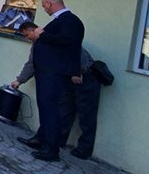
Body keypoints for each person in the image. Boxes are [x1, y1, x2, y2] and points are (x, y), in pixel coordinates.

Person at [12, 22, 101, 160]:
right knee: (60, 113)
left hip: (85, 78)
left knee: (86, 116)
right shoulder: (38, 45)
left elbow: (76, 51)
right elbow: (32, 65)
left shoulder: (52, 38)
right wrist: (19, 80)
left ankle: (84, 150)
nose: (26, 38)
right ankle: (51, 142)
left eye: (27, 35)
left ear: (33, 30)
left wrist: (79, 71)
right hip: (67, 81)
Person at [19, 0, 85, 162]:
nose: (43, 8)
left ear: (49, 3)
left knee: (50, 109)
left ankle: (51, 149)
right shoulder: (63, 20)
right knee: (47, 108)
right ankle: (41, 139)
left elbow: (67, 42)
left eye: (43, 5)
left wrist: (42, 35)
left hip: (54, 73)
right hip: (50, 71)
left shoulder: (69, 20)